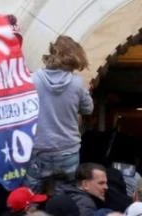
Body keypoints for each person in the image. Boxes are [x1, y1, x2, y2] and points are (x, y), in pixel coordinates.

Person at [27, 36, 95, 189]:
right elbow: (88, 108)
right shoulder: (76, 83)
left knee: (33, 197)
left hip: (38, 148)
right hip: (67, 150)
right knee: (67, 196)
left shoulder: (33, 80)